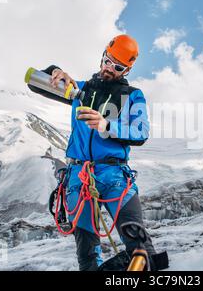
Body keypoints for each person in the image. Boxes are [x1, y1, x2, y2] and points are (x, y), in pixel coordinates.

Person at [30, 35, 163, 271]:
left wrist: (106, 126)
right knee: (87, 255)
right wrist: (55, 70)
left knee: (139, 244)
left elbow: (140, 133)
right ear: (103, 55)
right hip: (78, 177)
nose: (110, 68)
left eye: (118, 67)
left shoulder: (133, 96)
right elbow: (32, 81)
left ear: (127, 69)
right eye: (108, 61)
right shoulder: (79, 89)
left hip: (115, 176)